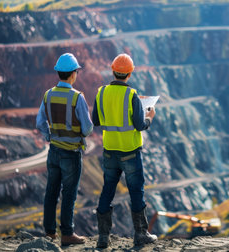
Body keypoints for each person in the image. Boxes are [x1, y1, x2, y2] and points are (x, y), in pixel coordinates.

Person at [92, 53, 157, 248]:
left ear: (113, 71)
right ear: (129, 74)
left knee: (107, 190)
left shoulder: (101, 92)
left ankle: (103, 237)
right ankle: (140, 234)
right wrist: (149, 117)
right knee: (136, 192)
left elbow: (96, 121)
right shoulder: (131, 95)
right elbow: (139, 125)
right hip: (130, 152)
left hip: (110, 151)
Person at [36, 53, 93, 246]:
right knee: (69, 193)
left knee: (51, 191)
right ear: (73, 74)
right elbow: (87, 129)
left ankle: (49, 233)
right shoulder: (77, 98)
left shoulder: (48, 94)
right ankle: (67, 234)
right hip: (71, 154)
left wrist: (49, 136)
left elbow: (40, 122)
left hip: (54, 152)